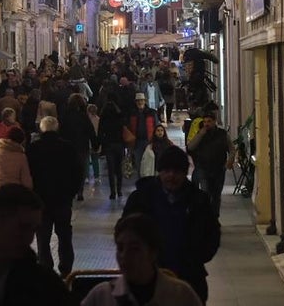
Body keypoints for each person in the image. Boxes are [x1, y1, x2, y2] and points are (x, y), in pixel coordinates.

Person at [122, 146, 219, 303]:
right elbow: (124, 230)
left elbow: (212, 234)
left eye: (177, 171)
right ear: (159, 171)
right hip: (146, 277)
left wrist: (195, 258)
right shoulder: (141, 198)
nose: (171, 176)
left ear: (185, 173)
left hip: (190, 277)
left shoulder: (198, 201)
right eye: (166, 171)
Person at [81, 213, 202, 306]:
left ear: (152, 253)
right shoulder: (101, 296)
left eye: (134, 249)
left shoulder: (181, 296)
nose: (124, 256)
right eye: (120, 248)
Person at [26, 115, 83, 277]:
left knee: (43, 236)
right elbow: (78, 172)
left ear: (41, 129)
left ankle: (45, 267)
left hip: (40, 199)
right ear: (57, 128)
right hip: (62, 200)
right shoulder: (68, 148)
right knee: (65, 234)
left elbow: (28, 174)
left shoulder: (33, 148)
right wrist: (72, 191)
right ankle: (66, 269)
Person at [186, 110, 234, 217]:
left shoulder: (222, 134)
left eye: (209, 121)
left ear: (214, 121)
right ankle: (206, 217)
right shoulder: (201, 133)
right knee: (205, 193)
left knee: (216, 194)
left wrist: (229, 161)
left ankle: (215, 215)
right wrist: (200, 135)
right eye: (205, 121)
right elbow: (190, 147)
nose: (206, 123)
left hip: (218, 169)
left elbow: (231, 149)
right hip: (203, 168)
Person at [59, 93, 99, 202]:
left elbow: (60, 131)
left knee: (69, 169)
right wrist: (95, 144)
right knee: (81, 169)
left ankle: (70, 190)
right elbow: (91, 131)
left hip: (67, 147)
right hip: (82, 147)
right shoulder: (83, 116)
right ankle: (80, 191)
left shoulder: (65, 115)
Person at [98, 100, 126, 199]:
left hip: (109, 145)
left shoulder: (103, 119)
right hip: (119, 144)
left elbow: (100, 132)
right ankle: (119, 190)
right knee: (119, 169)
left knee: (111, 169)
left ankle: (112, 192)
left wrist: (100, 145)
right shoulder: (119, 117)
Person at [126, 92, 159, 176]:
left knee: (149, 164)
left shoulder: (152, 113)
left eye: (141, 100)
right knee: (139, 164)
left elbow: (156, 126)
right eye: (138, 101)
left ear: (145, 101)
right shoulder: (132, 113)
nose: (140, 102)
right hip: (137, 143)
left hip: (149, 142)